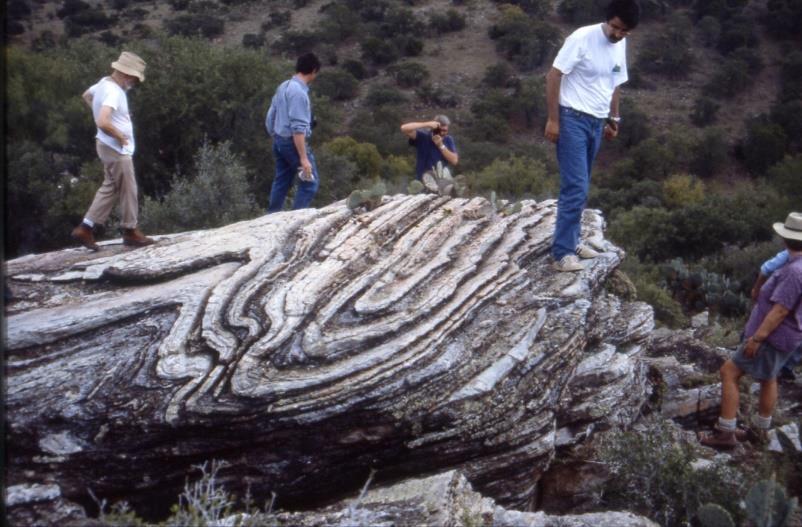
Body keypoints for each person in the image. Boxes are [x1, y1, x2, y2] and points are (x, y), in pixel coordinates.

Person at [544, 0, 640, 272]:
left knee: (582, 185)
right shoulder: (582, 38)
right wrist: (553, 119)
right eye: (616, 28)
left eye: (625, 31)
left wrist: (614, 118)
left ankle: (572, 242)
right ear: (608, 19)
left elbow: (615, 82)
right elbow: (553, 76)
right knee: (575, 187)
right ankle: (562, 254)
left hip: (597, 122)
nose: (619, 35)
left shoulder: (620, 43)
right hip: (572, 118)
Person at [700, 212, 802, 449]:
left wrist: (757, 338)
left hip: (771, 336)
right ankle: (758, 432)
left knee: (729, 372)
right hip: (788, 336)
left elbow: (780, 311)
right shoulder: (794, 263)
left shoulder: (794, 272)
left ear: (784, 239)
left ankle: (726, 434)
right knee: (769, 377)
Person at [71, 51, 155, 251]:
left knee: (110, 187)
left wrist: (111, 116)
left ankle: (85, 227)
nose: (134, 83)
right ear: (127, 75)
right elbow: (102, 121)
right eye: (134, 79)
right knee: (128, 189)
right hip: (116, 148)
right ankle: (130, 231)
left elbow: (87, 95)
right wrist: (118, 135)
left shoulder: (104, 83)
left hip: (105, 145)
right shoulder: (115, 92)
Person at [265, 52, 321, 212]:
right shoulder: (299, 93)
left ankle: (271, 216)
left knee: (282, 180)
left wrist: (275, 135)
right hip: (291, 143)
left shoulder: (283, 86)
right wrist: (303, 158)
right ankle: (296, 219)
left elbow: (271, 115)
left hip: (279, 141)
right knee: (310, 183)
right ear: (313, 71)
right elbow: (298, 129)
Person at [751, 248, 801, 380]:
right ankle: (782, 367)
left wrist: (757, 290)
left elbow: (765, 269)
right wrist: (757, 290)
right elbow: (766, 269)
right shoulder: (791, 255)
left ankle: (784, 367)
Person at [400, 116, 459, 180]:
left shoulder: (448, 139)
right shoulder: (423, 136)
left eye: (445, 131)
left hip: (441, 181)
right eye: (440, 130)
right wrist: (427, 124)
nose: (442, 133)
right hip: (422, 180)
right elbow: (404, 128)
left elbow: (454, 161)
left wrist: (441, 145)